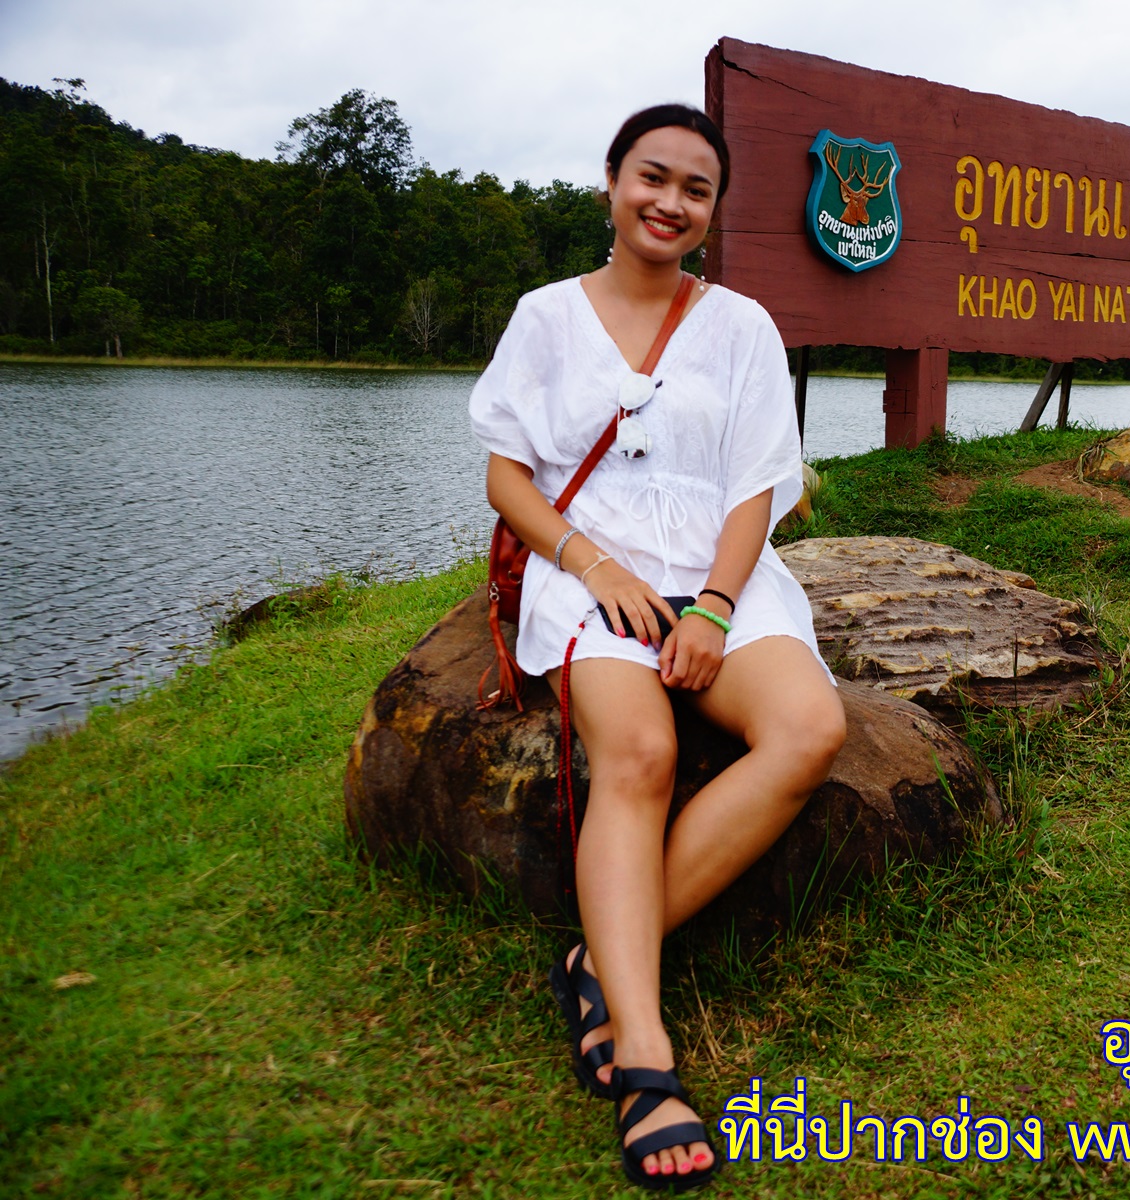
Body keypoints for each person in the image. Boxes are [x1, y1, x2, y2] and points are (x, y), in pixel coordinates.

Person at [469, 103, 846, 1191]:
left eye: (695, 189)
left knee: (808, 728)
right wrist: (597, 569)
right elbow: (507, 478)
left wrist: (719, 607)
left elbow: (757, 485)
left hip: (721, 573)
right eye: (653, 177)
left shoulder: (740, 327)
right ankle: (645, 1049)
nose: (670, 202)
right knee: (637, 754)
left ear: (713, 212)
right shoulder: (546, 316)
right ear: (610, 183)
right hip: (594, 568)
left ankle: (597, 955)